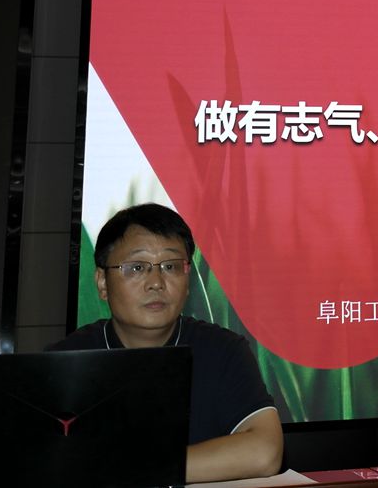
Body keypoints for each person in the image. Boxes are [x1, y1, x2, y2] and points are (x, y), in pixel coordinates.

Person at [49, 203, 284, 482]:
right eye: (137, 267)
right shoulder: (67, 361)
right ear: (102, 282)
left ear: (188, 280)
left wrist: (129, 469)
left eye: (170, 266)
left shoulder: (223, 350)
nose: (156, 282)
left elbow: (264, 452)